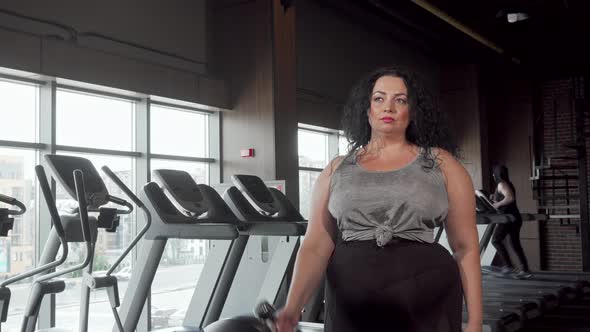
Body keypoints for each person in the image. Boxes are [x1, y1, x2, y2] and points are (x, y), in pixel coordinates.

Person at [276, 67, 482, 332]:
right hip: (350, 306)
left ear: (413, 110)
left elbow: (466, 247)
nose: (389, 108)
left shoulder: (442, 164)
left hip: (426, 302)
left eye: (400, 100)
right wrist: (293, 307)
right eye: (379, 98)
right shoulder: (337, 168)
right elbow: (316, 245)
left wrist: (475, 322)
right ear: (367, 109)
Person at [490, 165, 532, 279]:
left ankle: (508, 265)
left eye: (494, 173)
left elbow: (510, 198)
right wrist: (496, 201)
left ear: (498, 173)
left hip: (509, 219)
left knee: (495, 240)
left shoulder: (501, 184)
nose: (493, 175)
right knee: (515, 244)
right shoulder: (507, 183)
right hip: (514, 217)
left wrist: (497, 204)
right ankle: (525, 270)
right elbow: (507, 199)